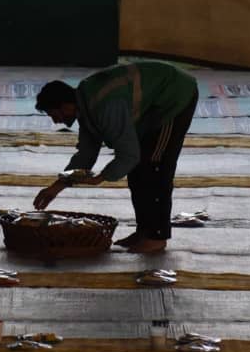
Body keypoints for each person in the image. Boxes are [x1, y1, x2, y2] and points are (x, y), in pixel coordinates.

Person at [33, 61, 198, 253]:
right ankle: (144, 231)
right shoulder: (86, 105)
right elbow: (86, 154)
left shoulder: (104, 105)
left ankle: (156, 237)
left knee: (155, 166)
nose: (56, 120)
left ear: (66, 105)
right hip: (154, 103)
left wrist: (102, 177)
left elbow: (128, 154)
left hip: (174, 96)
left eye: (55, 114)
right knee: (138, 170)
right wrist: (56, 187)